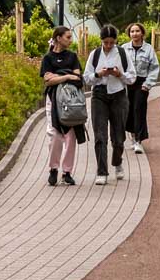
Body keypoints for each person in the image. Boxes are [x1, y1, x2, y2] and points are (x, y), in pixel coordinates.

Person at [84, 24, 137, 185]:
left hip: (118, 95)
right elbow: (86, 77)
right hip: (99, 95)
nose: (108, 46)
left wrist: (119, 74)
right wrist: (98, 74)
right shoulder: (95, 54)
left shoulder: (122, 53)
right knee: (100, 135)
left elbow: (132, 77)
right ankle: (102, 171)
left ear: (115, 41)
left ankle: (117, 161)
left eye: (111, 43)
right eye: (105, 42)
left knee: (118, 136)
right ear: (101, 41)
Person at [41, 26, 85, 187]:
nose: (70, 40)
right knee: (54, 135)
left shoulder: (72, 56)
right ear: (58, 38)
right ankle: (53, 168)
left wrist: (57, 75)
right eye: (67, 37)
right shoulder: (47, 58)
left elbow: (78, 77)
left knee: (71, 136)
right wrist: (66, 75)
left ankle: (67, 172)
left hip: (71, 100)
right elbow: (47, 80)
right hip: (53, 100)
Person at [123, 22, 160, 154]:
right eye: (132, 31)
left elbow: (154, 68)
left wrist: (148, 84)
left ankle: (139, 140)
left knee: (139, 110)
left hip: (141, 84)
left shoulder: (149, 49)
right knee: (128, 111)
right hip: (127, 83)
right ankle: (133, 138)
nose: (134, 34)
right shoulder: (124, 48)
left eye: (137, 31)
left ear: (142, 33)